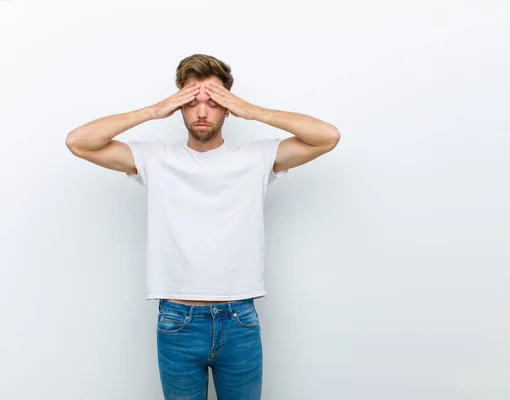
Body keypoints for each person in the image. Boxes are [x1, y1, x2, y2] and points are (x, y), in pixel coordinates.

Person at [65, 53, 340, 400]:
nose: (202, 111)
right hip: (177, 321)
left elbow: (327, 136)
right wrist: (153, 110)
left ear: (227, 108)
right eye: (192, 102)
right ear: (179, 107)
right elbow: (78, 141)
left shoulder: (255, 157)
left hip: (239, 319)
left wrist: (251, 110)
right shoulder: (157, 159)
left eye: (213, 102)